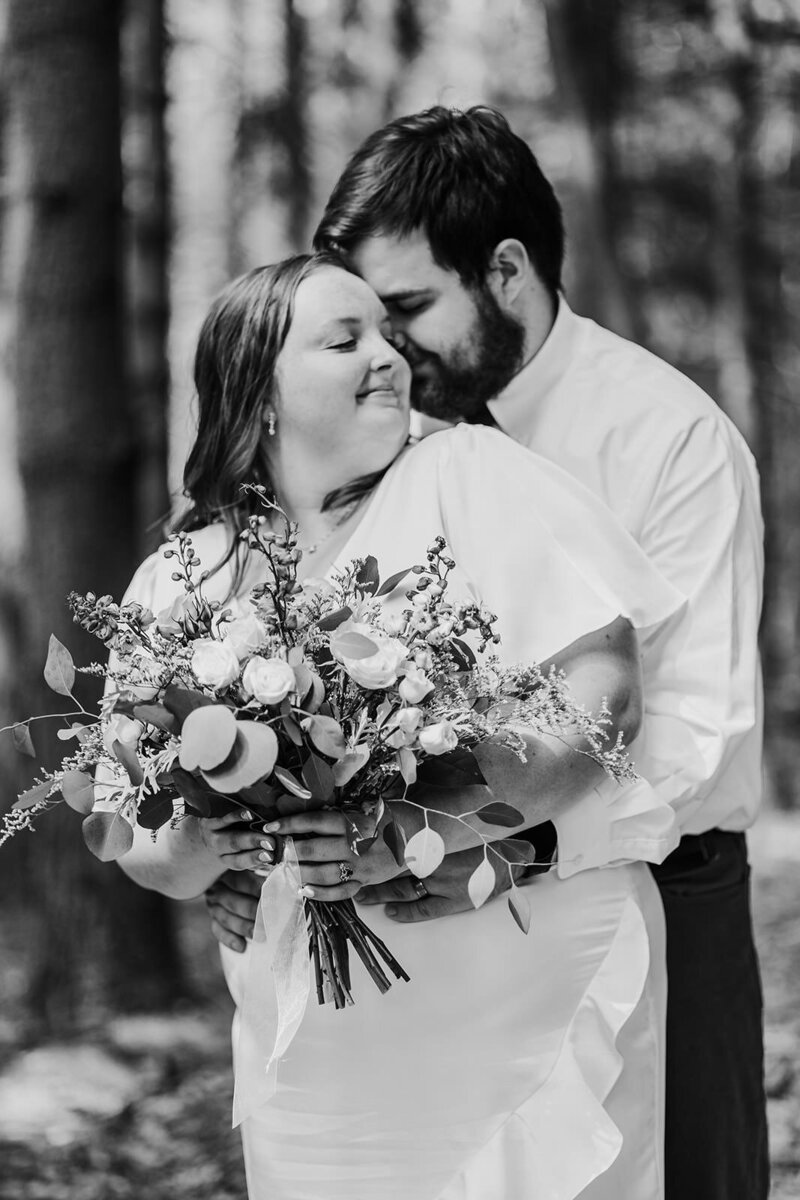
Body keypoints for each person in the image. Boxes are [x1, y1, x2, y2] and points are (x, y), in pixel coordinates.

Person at [206, 106, 769, 1200]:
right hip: (425, 953)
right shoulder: (393, 431)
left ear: (505, 270)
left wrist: (517, 852)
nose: (387, 351)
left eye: (409, 309)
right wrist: (258, 843)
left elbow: (698, 734)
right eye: (364, 321)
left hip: (654, 884)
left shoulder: (667, 437)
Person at [117, 251, 684, 1199]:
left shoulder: (471, 472)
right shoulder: (176, 581)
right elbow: (139, 842)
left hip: (519, 1001)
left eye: (388, 332)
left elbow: (605, 701)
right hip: (319, 1054)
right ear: (256, 394)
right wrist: (212, 843)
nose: (388, 355)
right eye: (346, 340)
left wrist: (427, 832)